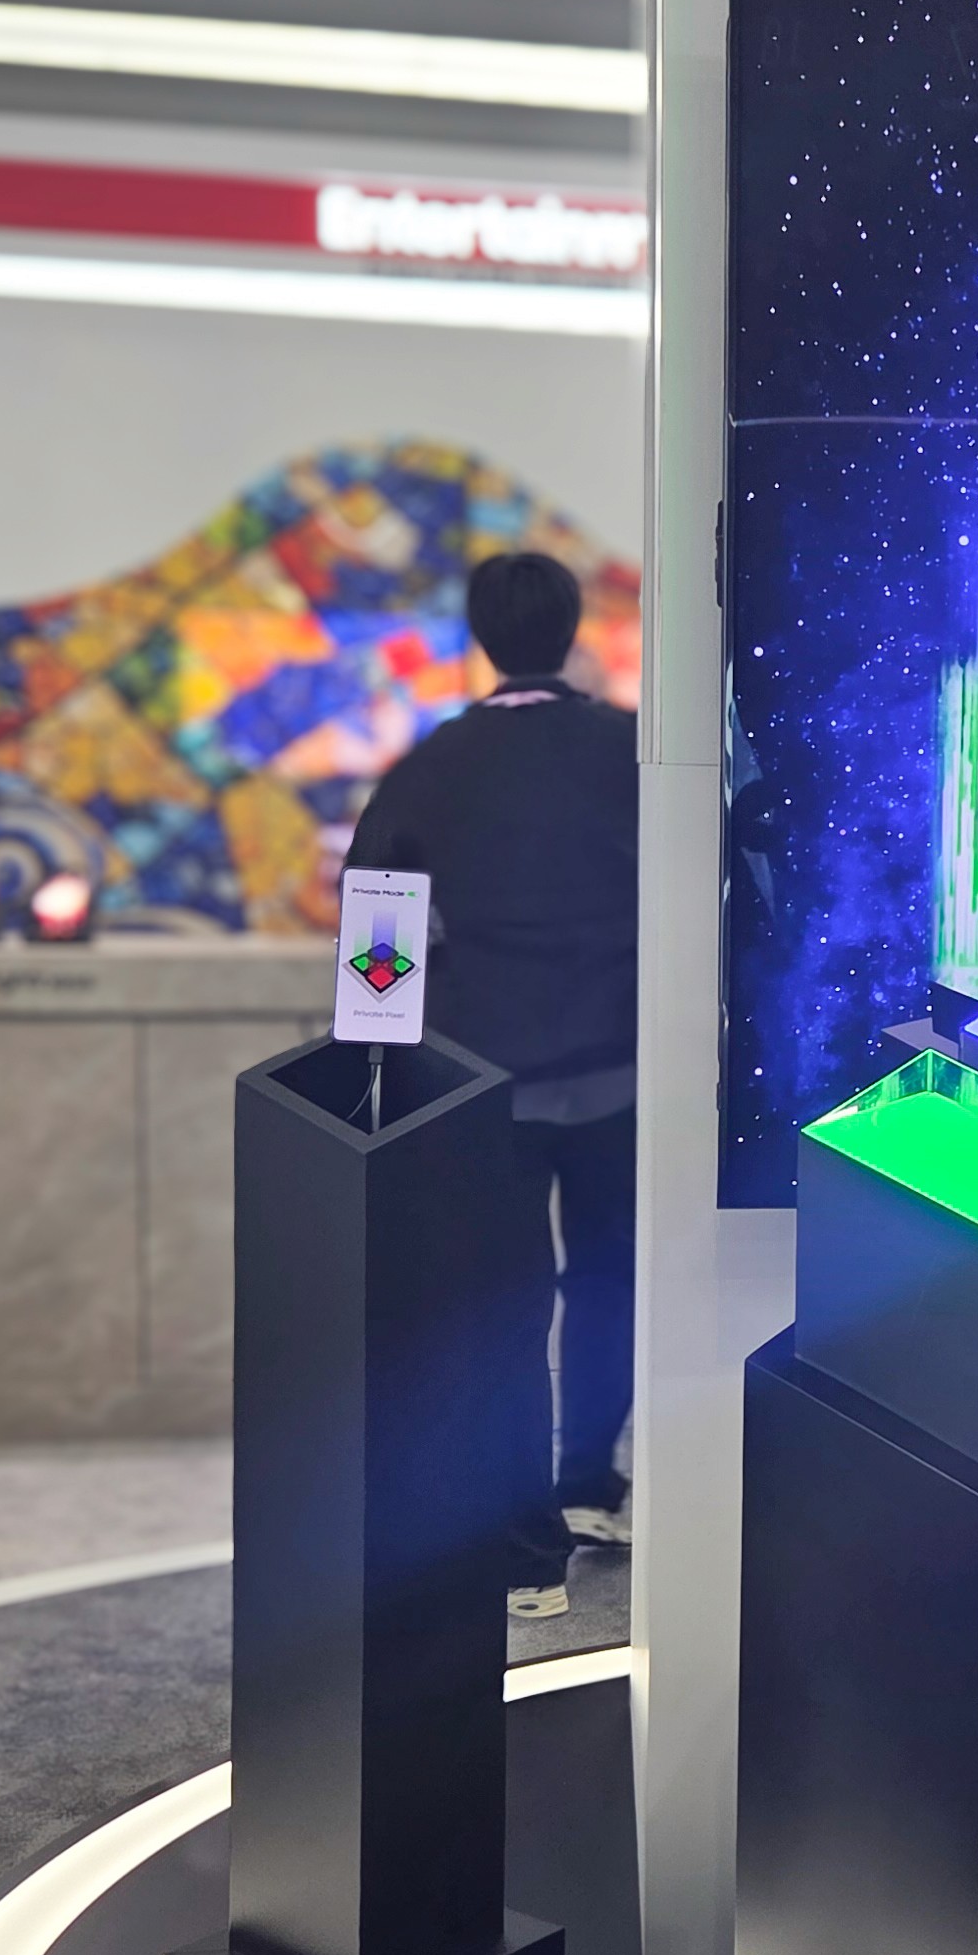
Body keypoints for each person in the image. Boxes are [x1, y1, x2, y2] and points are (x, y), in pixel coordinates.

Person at [349, 549, 637, 1622]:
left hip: (483, 1088)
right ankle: (593, 1486)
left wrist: (381, 1068)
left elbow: (377, 933)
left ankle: (526, 1558)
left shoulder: (430, 767)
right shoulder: (631, 753)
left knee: (504, 1316)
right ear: (570, 630)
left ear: (480, 637)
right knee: (608, 1287)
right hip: (619, 1072)